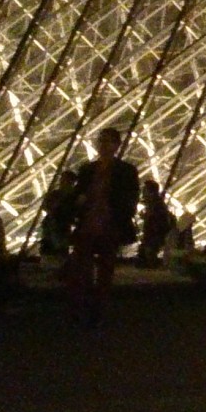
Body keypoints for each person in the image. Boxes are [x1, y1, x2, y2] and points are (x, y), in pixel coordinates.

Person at [66, 128, 141, 326]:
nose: (103, 145)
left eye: (108, 141)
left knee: (106, 269)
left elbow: (132, 197)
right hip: (89, 222)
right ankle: (84, 307)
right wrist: (79, 201)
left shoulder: (126, 170)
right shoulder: (87, 169)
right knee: (84, 269)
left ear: (117, 145)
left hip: (110, 224)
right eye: (101, 141)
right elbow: (77, 193)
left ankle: (98, 309)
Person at [39, 169, 81, 258]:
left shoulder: (69, 196)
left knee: (57, 249)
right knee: (56, 248)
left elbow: (46, 206)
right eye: (63, 179)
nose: (63, 182)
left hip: (59, 226)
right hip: (57, 226)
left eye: (66, 180)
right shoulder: (70, 196)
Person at [136, 180, 174, 266]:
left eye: (145, 190)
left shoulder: (156, 204)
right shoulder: (157, 203)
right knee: (147, 252)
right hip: (155, 232)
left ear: (151, 192)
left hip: (155, 233)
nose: (143, 193)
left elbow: (155, 218)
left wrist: (145, 216)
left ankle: (152, 265)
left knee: (149, 251)